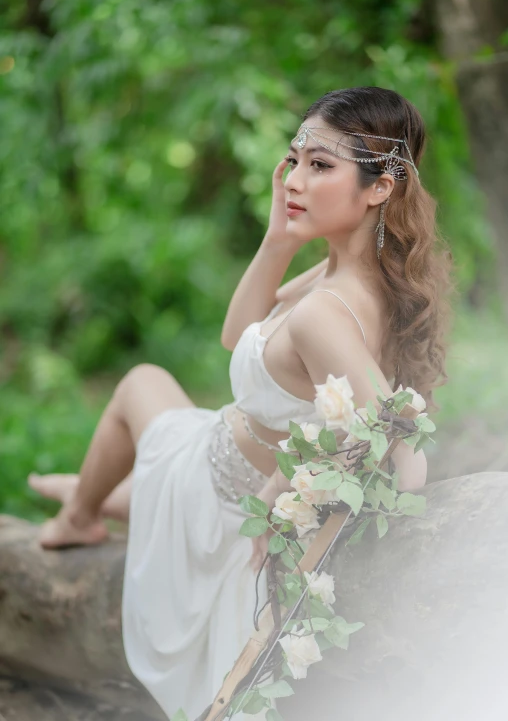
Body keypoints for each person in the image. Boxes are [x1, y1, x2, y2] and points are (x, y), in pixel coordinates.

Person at [28, 86, 452, 719]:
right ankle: (99, 495)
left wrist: (289, 483)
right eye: (297, 160)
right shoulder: (362, 276)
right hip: (222, 456)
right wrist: (278, 241)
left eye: (322, 165)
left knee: (141, 382)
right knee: (158, 420)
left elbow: (402, 449)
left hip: (225, 496)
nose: (296, 181)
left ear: (380, 188)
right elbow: (240, 334)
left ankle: (80, 514)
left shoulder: (324, 314)